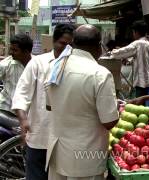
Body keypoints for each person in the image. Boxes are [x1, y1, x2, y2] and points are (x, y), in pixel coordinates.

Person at [45, 24, 119, 180]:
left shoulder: (54, 67)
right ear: (99, 46)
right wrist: (117, 106)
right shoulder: (100, 74)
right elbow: (109, 122)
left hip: (57, 152)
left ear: (73, 43)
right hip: (85, 157)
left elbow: (50, 105)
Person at [11, 24, 75, 180]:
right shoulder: (38, 63)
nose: (66, 49)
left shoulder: (77, 66)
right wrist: (23, 120)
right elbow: (21, 94)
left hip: (66, 140)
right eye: (62, 44)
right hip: (40, 136)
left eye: (70, 45)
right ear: (54, 41)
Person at [110, 20, 149, 97]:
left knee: (140, 103)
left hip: (141, 81)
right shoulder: (147, 43)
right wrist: (129, 60)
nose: (133, 34)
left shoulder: (138, 43)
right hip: (148, 80)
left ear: (136, 32)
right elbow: (141, 57)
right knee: (143, 102)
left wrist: (112, 52)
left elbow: (124, 51)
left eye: (133, 32)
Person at [0, 34, 32, 129]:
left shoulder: (37, 65)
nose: (11, 52)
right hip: (7, 110)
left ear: (26, 52)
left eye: (15, 50)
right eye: (11, 49)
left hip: (28, 113)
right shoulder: (5, 65)